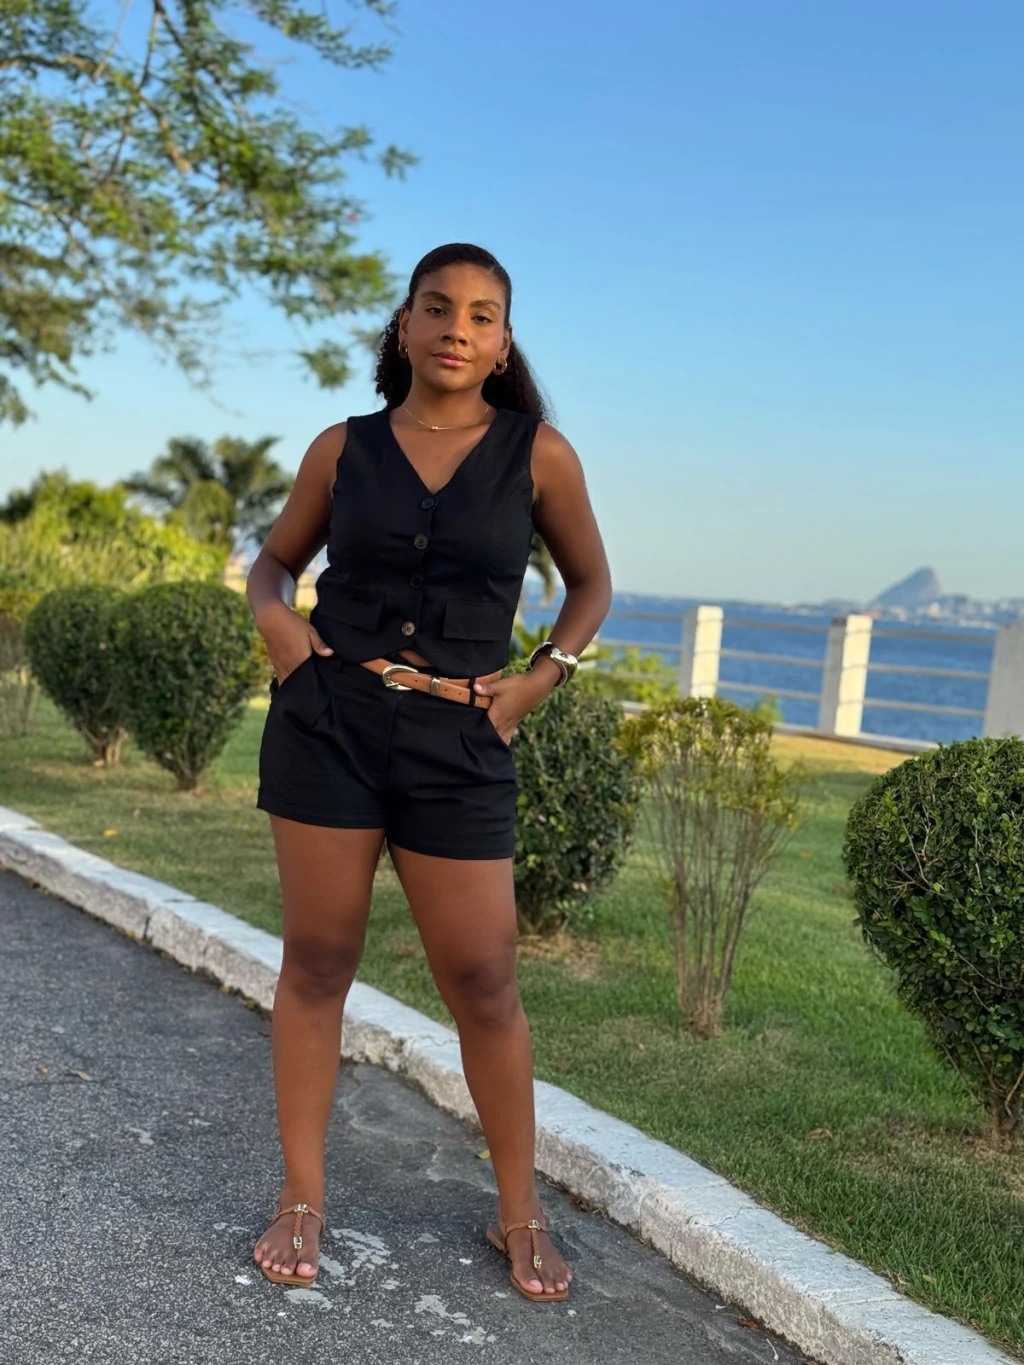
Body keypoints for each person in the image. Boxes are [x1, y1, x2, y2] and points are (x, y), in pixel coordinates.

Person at [246, 242, 612, 1302]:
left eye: (482, 315)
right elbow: (274, 561)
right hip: (330, 722)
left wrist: (540, 679)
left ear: (503, 344)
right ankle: (302, 1197)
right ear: (403, 326)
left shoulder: (540, 456)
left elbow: (590, 583)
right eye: (439, 307)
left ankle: (519, 1212)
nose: (458, 327)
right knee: (318, 959)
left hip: (460, 740)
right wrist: (277, 620)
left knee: (485, 982)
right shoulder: (342, 448)